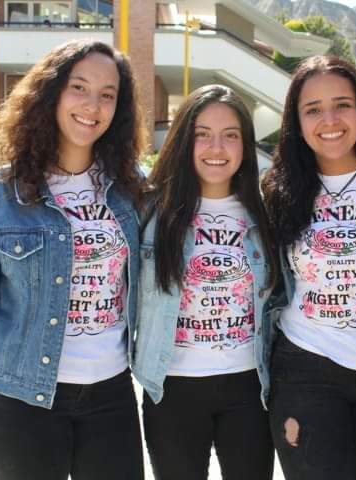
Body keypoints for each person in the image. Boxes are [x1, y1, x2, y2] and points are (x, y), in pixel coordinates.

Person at [0, 39, 147, 480]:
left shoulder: (132, 189)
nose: (92, 105)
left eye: (107, 94)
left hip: (111, 394)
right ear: (51, 93)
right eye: (79, 87)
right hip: (20, 399)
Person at [261, 55, 356, 480]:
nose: (329, 120)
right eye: (313, 109)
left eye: (342, 105)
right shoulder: (278, 189)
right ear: (296, 121)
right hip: (306, 366)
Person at [133, 84, 277, 480]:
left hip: (249, 387)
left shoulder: (265, 212)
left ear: (245, 145)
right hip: (171, 387)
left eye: (231, 135)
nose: (217, 147)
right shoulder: (150, 209)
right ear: (184, 140)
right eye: (203, 134)